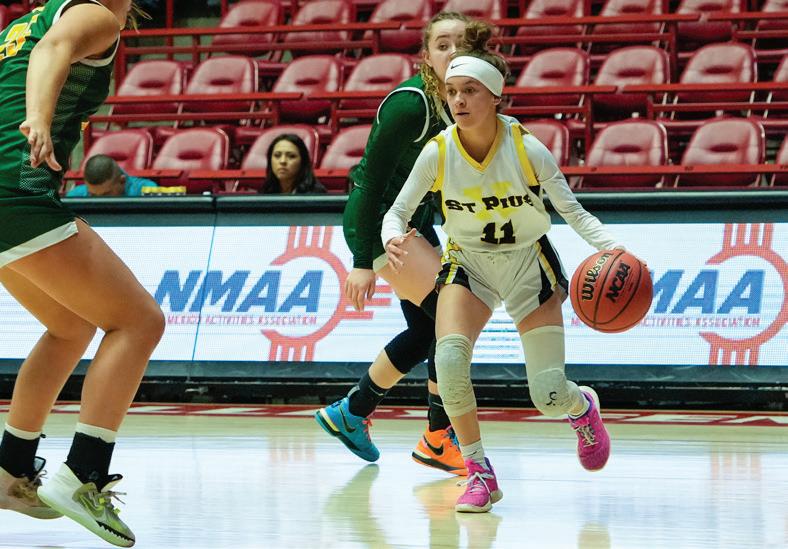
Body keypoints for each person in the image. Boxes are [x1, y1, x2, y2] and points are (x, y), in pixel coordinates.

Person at [382, 21, 632, 512]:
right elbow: (398, 211)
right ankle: (479, 472)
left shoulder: (526, 148)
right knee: (449, 361)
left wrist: (618, 250)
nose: (458, 100)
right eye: (452, 91)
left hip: (527, 265)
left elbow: (574, 213)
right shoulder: (438, 152)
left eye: (470, 91)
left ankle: (581, 407)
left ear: (494, 95)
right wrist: (392, 235)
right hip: (469, 264)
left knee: (548, 395)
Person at [0, 1, 163, 546]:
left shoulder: (27, 21)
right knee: (139, 322)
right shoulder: (96, 16)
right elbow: (53, 51)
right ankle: (84, 475)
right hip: (16, 191)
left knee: (69, 327)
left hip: (9, 194)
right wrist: (39, 118)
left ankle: (10, 471)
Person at [315, 12, 473, 477]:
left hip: (414, 223)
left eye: (463, 43)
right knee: (451, 318)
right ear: (426, 56)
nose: (453, 51)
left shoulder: (463, 102)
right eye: (443, 44)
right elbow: (368, 182)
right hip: (379, 223)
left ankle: (352, 411)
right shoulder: (410, 105)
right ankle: (438, 436)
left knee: (428, 331)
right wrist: (362, 260)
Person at [260, 133, 326, 195]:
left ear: (303, 161)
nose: (282, 161)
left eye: (291, 156)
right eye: (277, 155)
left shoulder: (316, 194)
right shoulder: (265, 191)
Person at [66, 154, 155, 197]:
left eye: (106, 194)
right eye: (92, 195)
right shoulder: (75, 196)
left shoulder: (147, 191)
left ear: (122, 181)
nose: (99, 201)